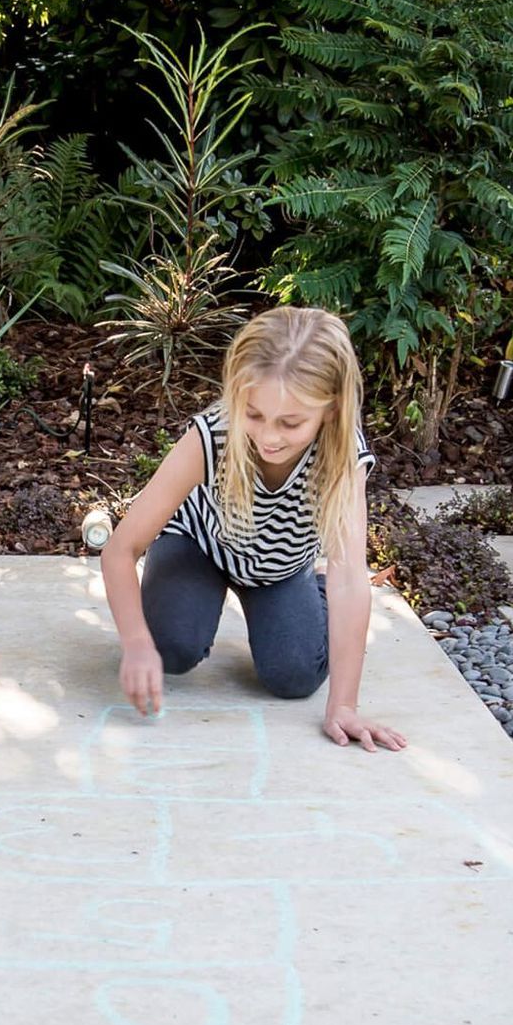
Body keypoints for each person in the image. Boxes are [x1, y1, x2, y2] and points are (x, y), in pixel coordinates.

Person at [99, 306, 407, 752]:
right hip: (199, 547)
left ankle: (307, 591)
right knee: (169, 648)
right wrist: (135, 641)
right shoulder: (214, 434)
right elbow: (120, 549)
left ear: (331, 407)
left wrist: (344, 704)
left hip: (279, 567)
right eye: (255, 414)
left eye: (291, 422)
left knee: (295, 676)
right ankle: (183, 612)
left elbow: (349, 578)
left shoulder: (342, 456)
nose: (269, 437)